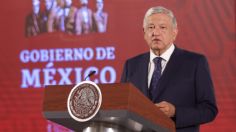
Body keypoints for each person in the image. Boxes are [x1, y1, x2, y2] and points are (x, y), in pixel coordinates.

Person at [121, 6, 218, 132]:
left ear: (174, 32)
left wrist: (176, 112)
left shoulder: (195, 63)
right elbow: (122, 107)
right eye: (151, 27)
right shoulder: (131, 65)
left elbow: (209, 110)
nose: (155, 32)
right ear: (144, 33)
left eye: (162, 27)